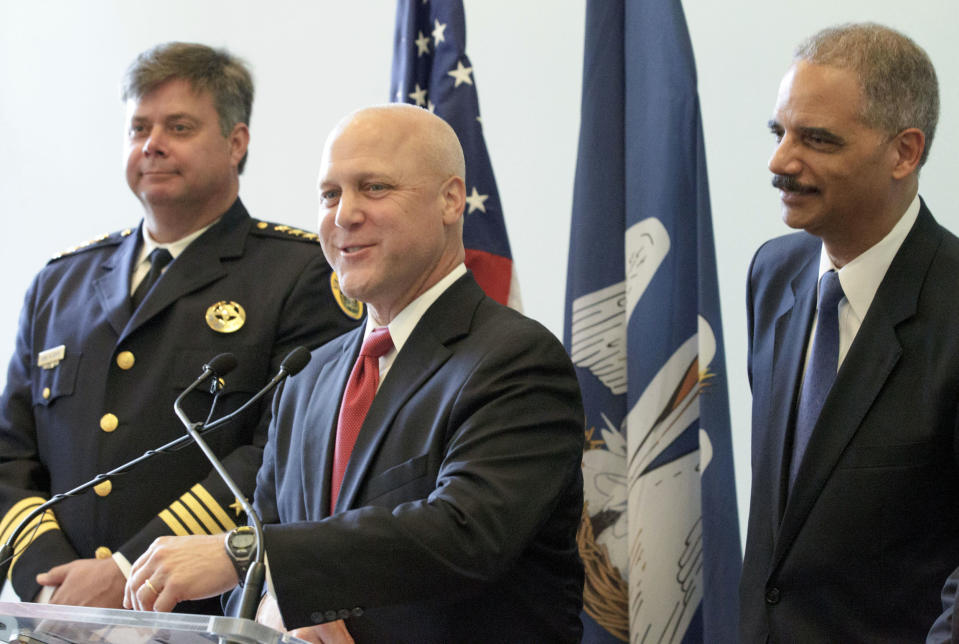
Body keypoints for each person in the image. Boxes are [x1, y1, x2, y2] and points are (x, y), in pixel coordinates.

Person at [122, 103, 585, 643]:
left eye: (374, 188)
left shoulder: (516, 359)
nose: (344, 215)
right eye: (330, 194)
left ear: (451, 200)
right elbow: (264, 546)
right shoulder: (306, 377)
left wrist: (248, 554)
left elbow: (465, 534)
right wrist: (273, 606)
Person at [0, 42, 360, 613]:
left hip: (200, 611)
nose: (153, 144)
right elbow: (10, 454)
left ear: (236, 142)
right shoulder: (58, 284)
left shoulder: (301, 275)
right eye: (138, 127)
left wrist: (127, 572)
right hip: (55, 616)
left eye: (179, 126)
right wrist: (49, 577)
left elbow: (283, 453)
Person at [739, 22, 959, 642]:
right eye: (778, 132)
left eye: (817, 140)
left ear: (904, 152)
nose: (781, 161)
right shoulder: (771, 274)